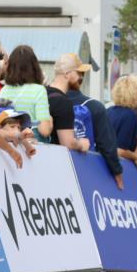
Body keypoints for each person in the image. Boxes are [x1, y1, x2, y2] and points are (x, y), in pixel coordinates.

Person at [57, 52, 125, 190]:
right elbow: (107, 145)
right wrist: (117, 172)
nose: (82, 77)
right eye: (80, 73)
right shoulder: (95, 106)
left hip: (54, 173)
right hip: (87, 175)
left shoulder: (47, 101)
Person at [0, 45, 53, 140]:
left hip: (11, 145)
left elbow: (0, 123)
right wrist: (50, 120)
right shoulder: (39, 90)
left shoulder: (4, 90)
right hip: (34, 147)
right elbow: (44, 130)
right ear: (34, 66)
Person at [45, 55, 92, 153]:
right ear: (67, 74)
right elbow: (68, 143)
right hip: (55, 161)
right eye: (79, 73)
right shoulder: (63, 102)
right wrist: (81, 144)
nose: (81, 77)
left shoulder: (42, 93)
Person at [107, 75, 137, 162]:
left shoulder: (108, 111)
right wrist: (136, 157)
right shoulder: (129, 116)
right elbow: (120, 151)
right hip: (120, 166)